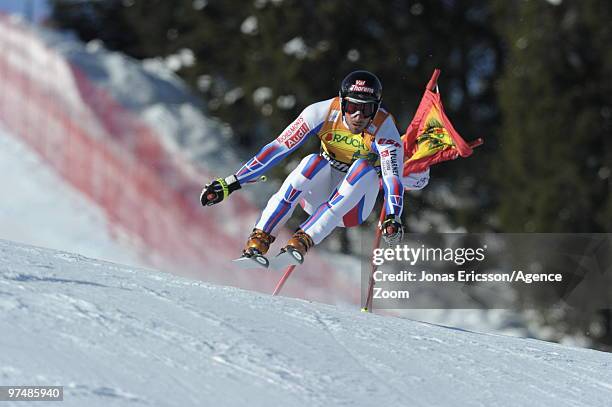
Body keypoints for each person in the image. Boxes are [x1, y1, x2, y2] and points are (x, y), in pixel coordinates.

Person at [200, 70, 429, 266]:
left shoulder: (385, 128)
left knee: (364, 169)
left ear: (376, 108)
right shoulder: (321, 112)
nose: (358, 116)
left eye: (367, 109)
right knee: (312, 162)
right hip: (317, 196)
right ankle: (258, 241)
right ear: (341, 102)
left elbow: (392, 178)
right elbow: (277, 148)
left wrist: (392, 217)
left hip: (352, 207)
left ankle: (302, 241)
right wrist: (232, 182)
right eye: (351, 107)